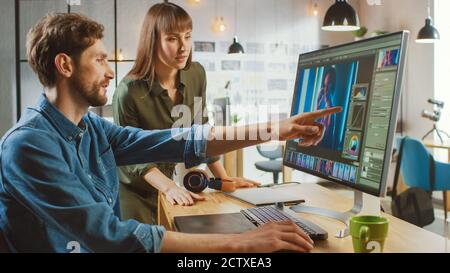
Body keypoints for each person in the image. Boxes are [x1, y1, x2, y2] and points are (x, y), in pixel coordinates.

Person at [0, 12, 340, 253]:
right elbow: (108, 237)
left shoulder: (89, 128)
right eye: (100, 60)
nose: (109, 72)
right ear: (65, 65)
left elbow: (176, 140)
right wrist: (244, 243)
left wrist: (275, 128)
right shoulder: (29, 145)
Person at [113, 3, 258, 225]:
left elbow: (203, 132)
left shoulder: (196, 75)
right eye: (172, 38)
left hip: (171, 186)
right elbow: (132, 157)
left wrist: (224, 180)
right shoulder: (128, 91)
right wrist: (169, 187)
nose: (183, 47)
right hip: (134, 191)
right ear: (152, 41)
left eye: (187, 36)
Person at [316, 66, 337, 149]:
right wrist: (317, 105)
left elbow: (327, 137)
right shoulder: (322, 107)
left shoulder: (332, 112)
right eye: (324, 86)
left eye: (328, 86)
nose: (325, 90)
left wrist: (328, 104)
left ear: (332, 86)